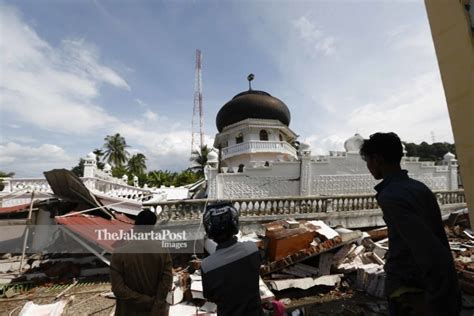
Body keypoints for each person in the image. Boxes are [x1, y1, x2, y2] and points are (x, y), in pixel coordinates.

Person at [360, 132, 461, 316]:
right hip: (433, 282)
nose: (368, 166)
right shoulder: (419, 188)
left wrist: (433, 298)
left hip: (411, 288)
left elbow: (425, 247)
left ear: (377, 159)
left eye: (367, 160)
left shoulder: (391, 196)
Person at [201, 202, 262, 316]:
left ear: (209, 231)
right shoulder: (251, 249)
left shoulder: (207, 266)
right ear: (235, 224)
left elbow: (209, 296)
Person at [110, 210, 173, 316]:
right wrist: (156, 303)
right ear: (152, 227)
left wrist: (145, 300)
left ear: (135, 226)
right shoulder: (162, 251)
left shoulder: (119, 253)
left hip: (127, 311)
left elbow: (118, 289)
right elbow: (166, 283)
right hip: (154, 311)